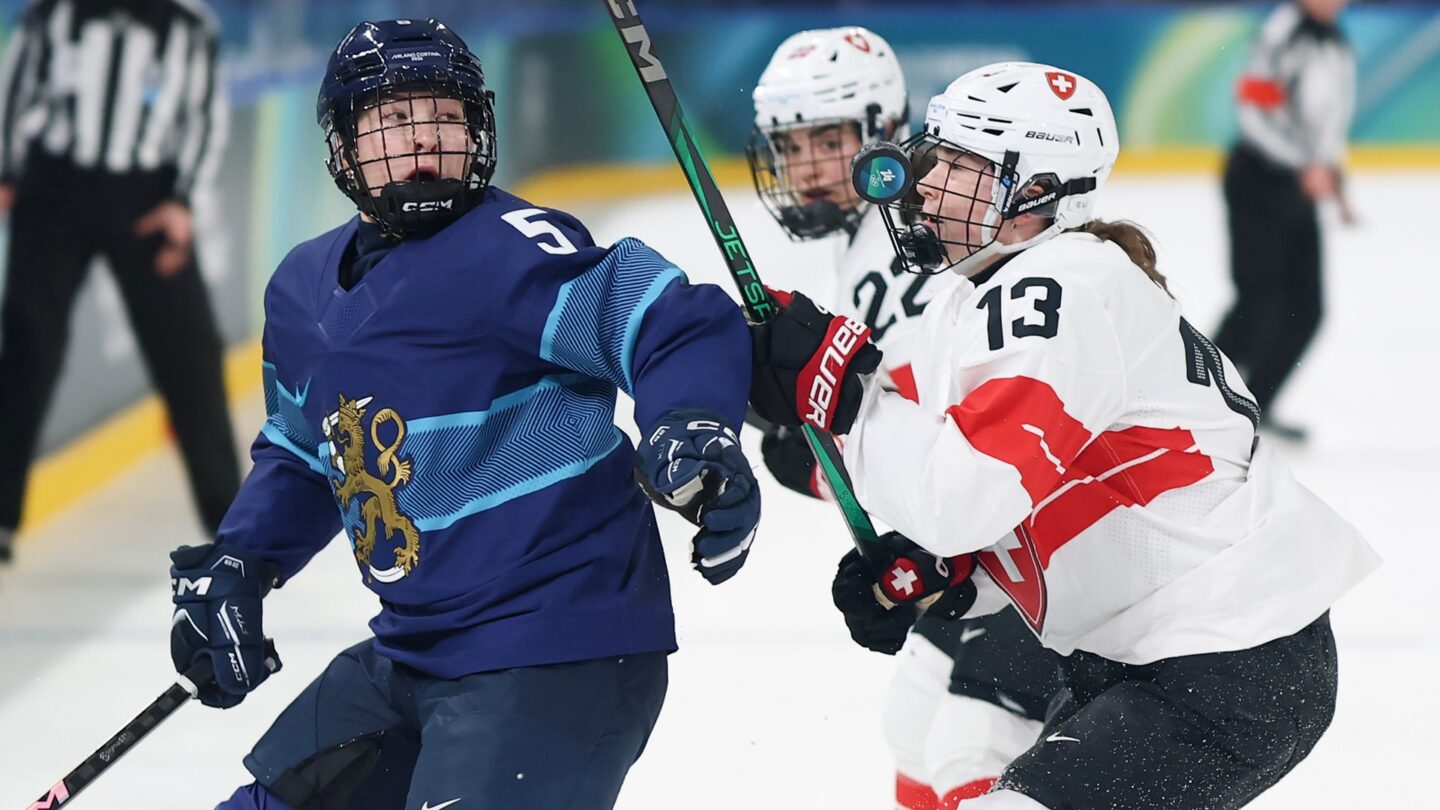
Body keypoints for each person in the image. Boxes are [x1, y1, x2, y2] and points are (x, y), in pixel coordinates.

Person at [749, 61, 1379, 809]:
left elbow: (960, 499)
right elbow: (1044, 501)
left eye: (958, 166)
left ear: (1036, 193)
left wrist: (845, 400)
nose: (924, 185)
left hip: (1229, 657)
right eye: (936, 156)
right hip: (1157, 655)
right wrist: (953, 578)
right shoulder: (1000, 290)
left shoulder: (1056, 291)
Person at [167, 19, 761, 809]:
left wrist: (689, 421)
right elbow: (308, 451)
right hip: (413, 652)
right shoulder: (302, 287)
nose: (426, 143)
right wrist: (243, 562)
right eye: (395, 121)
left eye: (445, 118)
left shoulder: (511, 249)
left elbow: (666, 321)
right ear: (342, 146)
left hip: (557, 651)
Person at [746, 28, 1058, 809]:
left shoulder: (917, 245)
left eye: (829, 139)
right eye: (792, 145)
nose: (809, 167)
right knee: (915, 728)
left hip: (1043, 533)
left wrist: (814, 460)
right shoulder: (870, 240)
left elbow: (934, 422)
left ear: (884, 131)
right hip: (985, 539)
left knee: (969, 746)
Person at [0, 0, 238, 563]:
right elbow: (16, 89)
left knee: (191, 358)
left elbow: (205, 115)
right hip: (55, 191)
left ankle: (234, 528)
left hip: (146, 198)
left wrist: (183, 201)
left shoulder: (187, 26)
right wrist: (7, 173)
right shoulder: (53, 13)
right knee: (28, 350)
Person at [1213, 0, 1356, 441]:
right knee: (1258, 303)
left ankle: (1255, 405)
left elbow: (1330, 122)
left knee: (1307, 308)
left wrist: (1333, 178)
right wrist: (1301, 164)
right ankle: (1203, 399)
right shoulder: (1281, 33)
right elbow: (1253, 110)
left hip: (1298, 188)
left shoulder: (1336, 44)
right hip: (1258, 180)